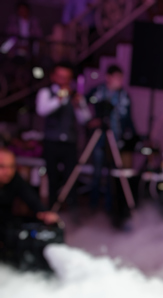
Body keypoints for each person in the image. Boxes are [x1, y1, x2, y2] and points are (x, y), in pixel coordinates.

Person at [86, 65, 137, 225]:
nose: (119, 81)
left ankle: (109, 207)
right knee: (97, 172)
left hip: (115, 137)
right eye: (116, 77)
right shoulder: (97, 91)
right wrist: (89, 121)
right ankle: (93, 206)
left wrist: (134, 135)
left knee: (113, 174)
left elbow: (128, 118)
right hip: (99, 136)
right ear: (108, 77)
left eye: (121, 78)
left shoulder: (123, 95)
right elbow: (81, 104)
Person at [36, 62, 92, 207]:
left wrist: (78, 105)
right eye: (60, 76)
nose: (63, 80)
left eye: (66, 77)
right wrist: (59, 99)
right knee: (52, 176)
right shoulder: (46, 92)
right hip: (51, 141)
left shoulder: (75, 96)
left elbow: (85, 119)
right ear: (53, 76)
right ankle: (52, 208)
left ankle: (72, 208)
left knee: (71, 176)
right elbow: (42, 110)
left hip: (70, 142)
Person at [0, 148, 59, 228]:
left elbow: (30, 197)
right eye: (2, 166)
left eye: (11, 166)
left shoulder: (14, 179)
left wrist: (45, 213)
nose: (8, 172)